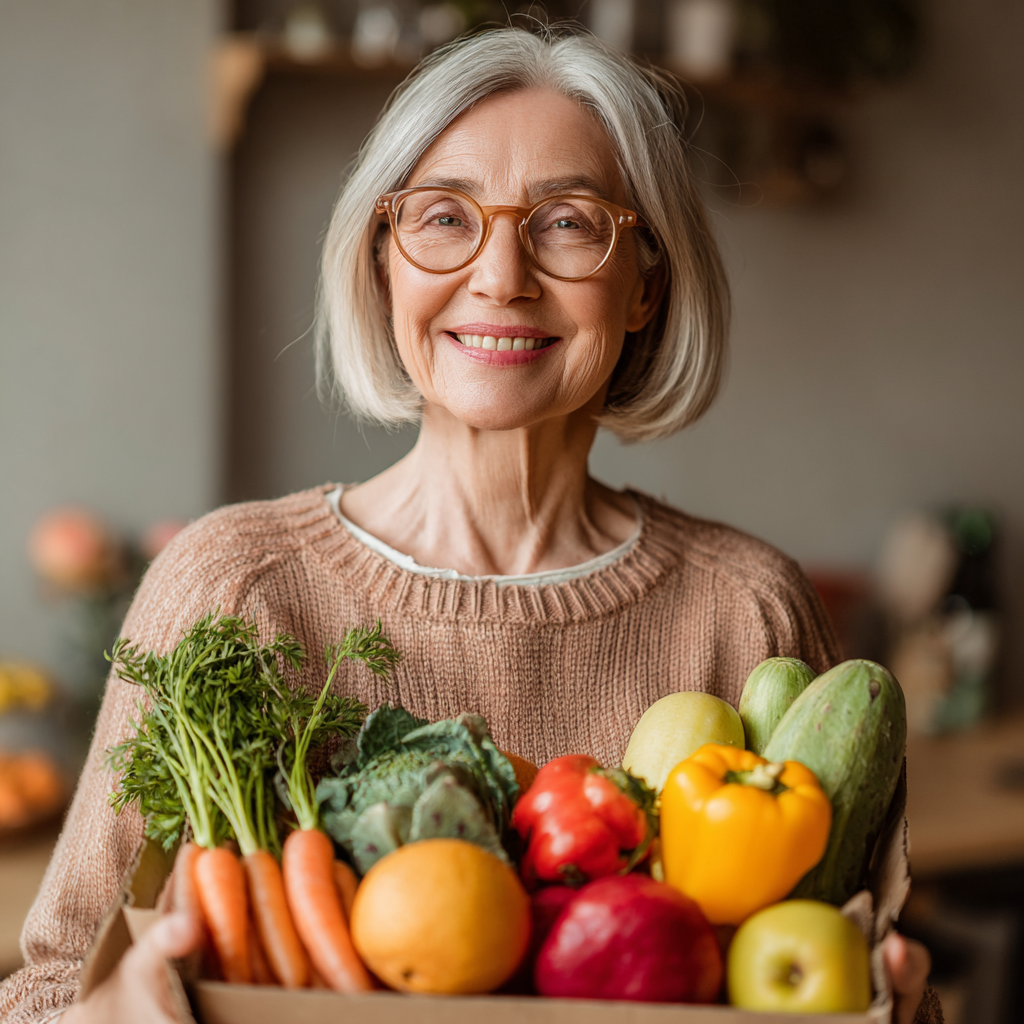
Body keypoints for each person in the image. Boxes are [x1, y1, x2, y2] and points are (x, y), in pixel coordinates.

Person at [0, 26, 938, 1024]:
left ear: (645, 286)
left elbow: (841, 969)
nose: (500, 275)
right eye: (443, 217)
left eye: (568, 222)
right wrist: (110, 1016)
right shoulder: (234, 584)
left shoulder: (746, 609)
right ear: (383, 262)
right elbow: (48, 988)